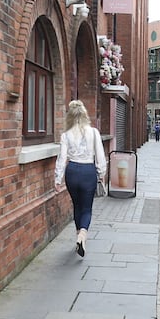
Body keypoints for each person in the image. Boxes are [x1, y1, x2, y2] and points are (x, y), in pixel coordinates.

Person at [54, 100, 107, 257]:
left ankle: (78, 238)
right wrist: (101, 174)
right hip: (88, 171)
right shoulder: (94, 132)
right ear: (85, 115)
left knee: (77, 205)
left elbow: (62, 158)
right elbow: (100, 156)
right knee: (86, 208)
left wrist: (58, 179)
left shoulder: (66, 135)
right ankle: (82, 235)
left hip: (72, 172)